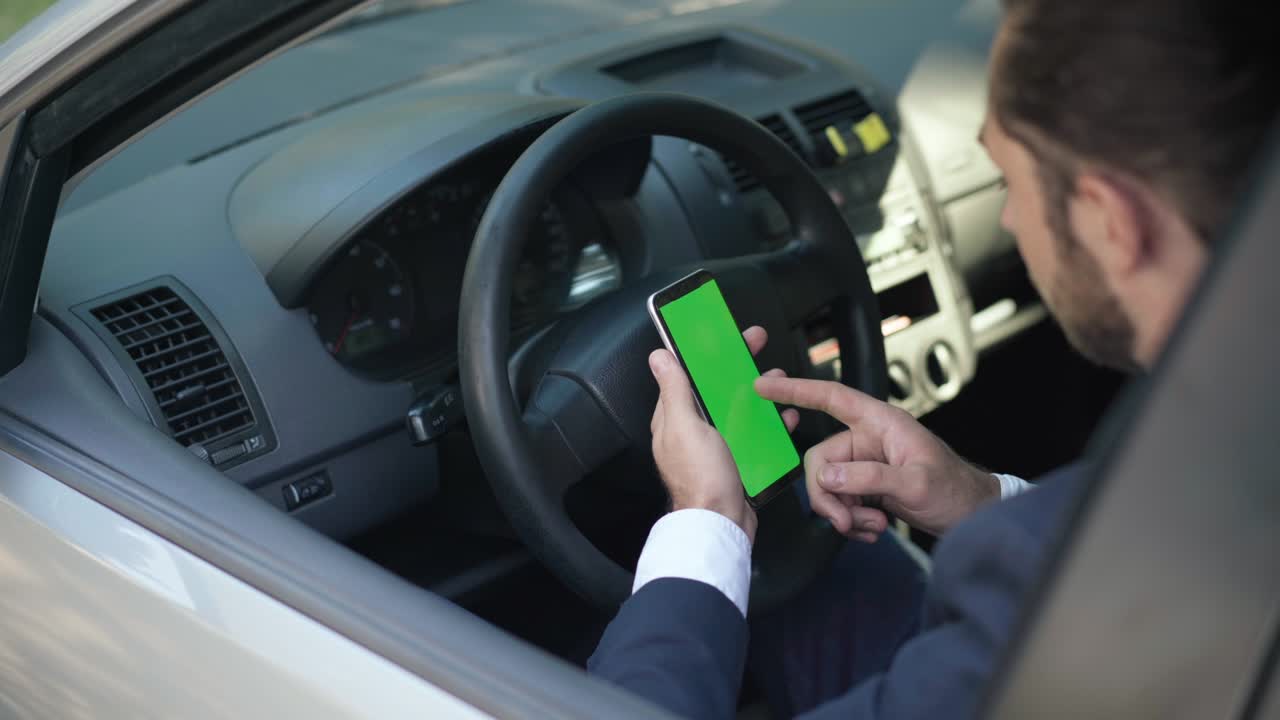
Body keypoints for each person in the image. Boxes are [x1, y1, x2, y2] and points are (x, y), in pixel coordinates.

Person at [587, 1, 1279, 717]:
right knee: (808, 529)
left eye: (1011, 181)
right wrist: (982, 503)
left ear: (1112, 221)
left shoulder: (1053, 602)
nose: (1009, 218)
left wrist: (704, 517)